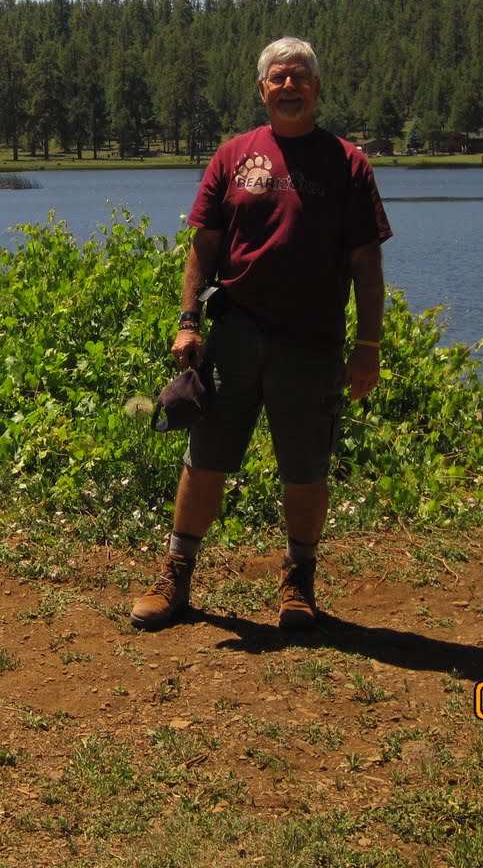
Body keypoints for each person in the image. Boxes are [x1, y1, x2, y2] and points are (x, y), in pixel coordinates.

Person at [132, 36, 392, 632]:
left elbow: (367, 266)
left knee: (305, 470)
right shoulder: (233, 156)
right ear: (261, 89)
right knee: (205, 462)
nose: (288, 86)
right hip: (236, 337)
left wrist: (368, 349)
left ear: (317, 87)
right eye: (277, 77)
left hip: (312, 344)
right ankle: (176, 574)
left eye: (299, 76)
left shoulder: (347, 163)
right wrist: (188, 320)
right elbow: (204, 246)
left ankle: (298, 581)